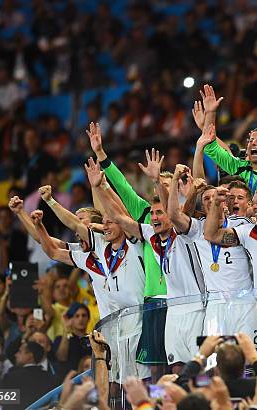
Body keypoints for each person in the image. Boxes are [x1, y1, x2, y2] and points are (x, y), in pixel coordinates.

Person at [106, 148, 205, 371]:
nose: (155, 216)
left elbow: (177, 215)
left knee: (198, 369)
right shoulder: (150, 227)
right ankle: (161, 402)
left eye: (168, 187)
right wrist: (101, 175)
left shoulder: (191, 224)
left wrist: (160, 181)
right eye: (154, 212)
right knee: (165, 368)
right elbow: (121, 201)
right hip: (163, 304)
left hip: (194, 305)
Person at [87, 122, 169, 370]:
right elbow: (122, 188)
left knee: (178, 363)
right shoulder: (145, 217)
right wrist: (101, 155)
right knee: (155, 366)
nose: (161, 189)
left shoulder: (187, 221)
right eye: (159, 186)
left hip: (184, 297)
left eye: (166, 185)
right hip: (152, 297)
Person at [167, 163, 257, 336]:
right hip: (215, 303)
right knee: (214, 359)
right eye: (206, 199)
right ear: (202, 206)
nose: (210, 201)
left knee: (247, 356)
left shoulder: (241, 224)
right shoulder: (196, 228)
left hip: (244, 301)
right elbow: (173, 215)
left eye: (214, 197)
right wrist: (174, 181)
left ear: (225, 201)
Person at [204, 186, 257, 361]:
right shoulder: (248, 233)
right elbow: (211, 235)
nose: (254, 207)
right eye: (253, 203)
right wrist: (216, 203)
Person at [2, 341, 56, 409]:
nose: (16, 355)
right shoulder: (49, 377)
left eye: (20, 351)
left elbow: (8, 407)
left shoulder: (11, 377)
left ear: (30, 356)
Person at [51, 302, 92, 373]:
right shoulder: (61, 339)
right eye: (77, 316)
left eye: (84, 315)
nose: (81, 319)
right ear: (70, 319)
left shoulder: (93, 339)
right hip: (70, 380)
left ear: (88, 319)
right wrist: (66, 330)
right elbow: (61, 358)